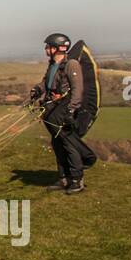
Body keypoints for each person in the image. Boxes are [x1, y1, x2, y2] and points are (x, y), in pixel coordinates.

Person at [30, 33, 98, 194]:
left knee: (69, 144)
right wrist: (37, 89)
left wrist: (71, 110)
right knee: (57, 144)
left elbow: (77, 89)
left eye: (48, 46)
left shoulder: (71, 64)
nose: (46, 49)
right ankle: (63, 178)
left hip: (64, 109)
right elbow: (46, 82)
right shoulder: (53, 64)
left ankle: (76, 179)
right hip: (52, 108)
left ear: (58, 48)